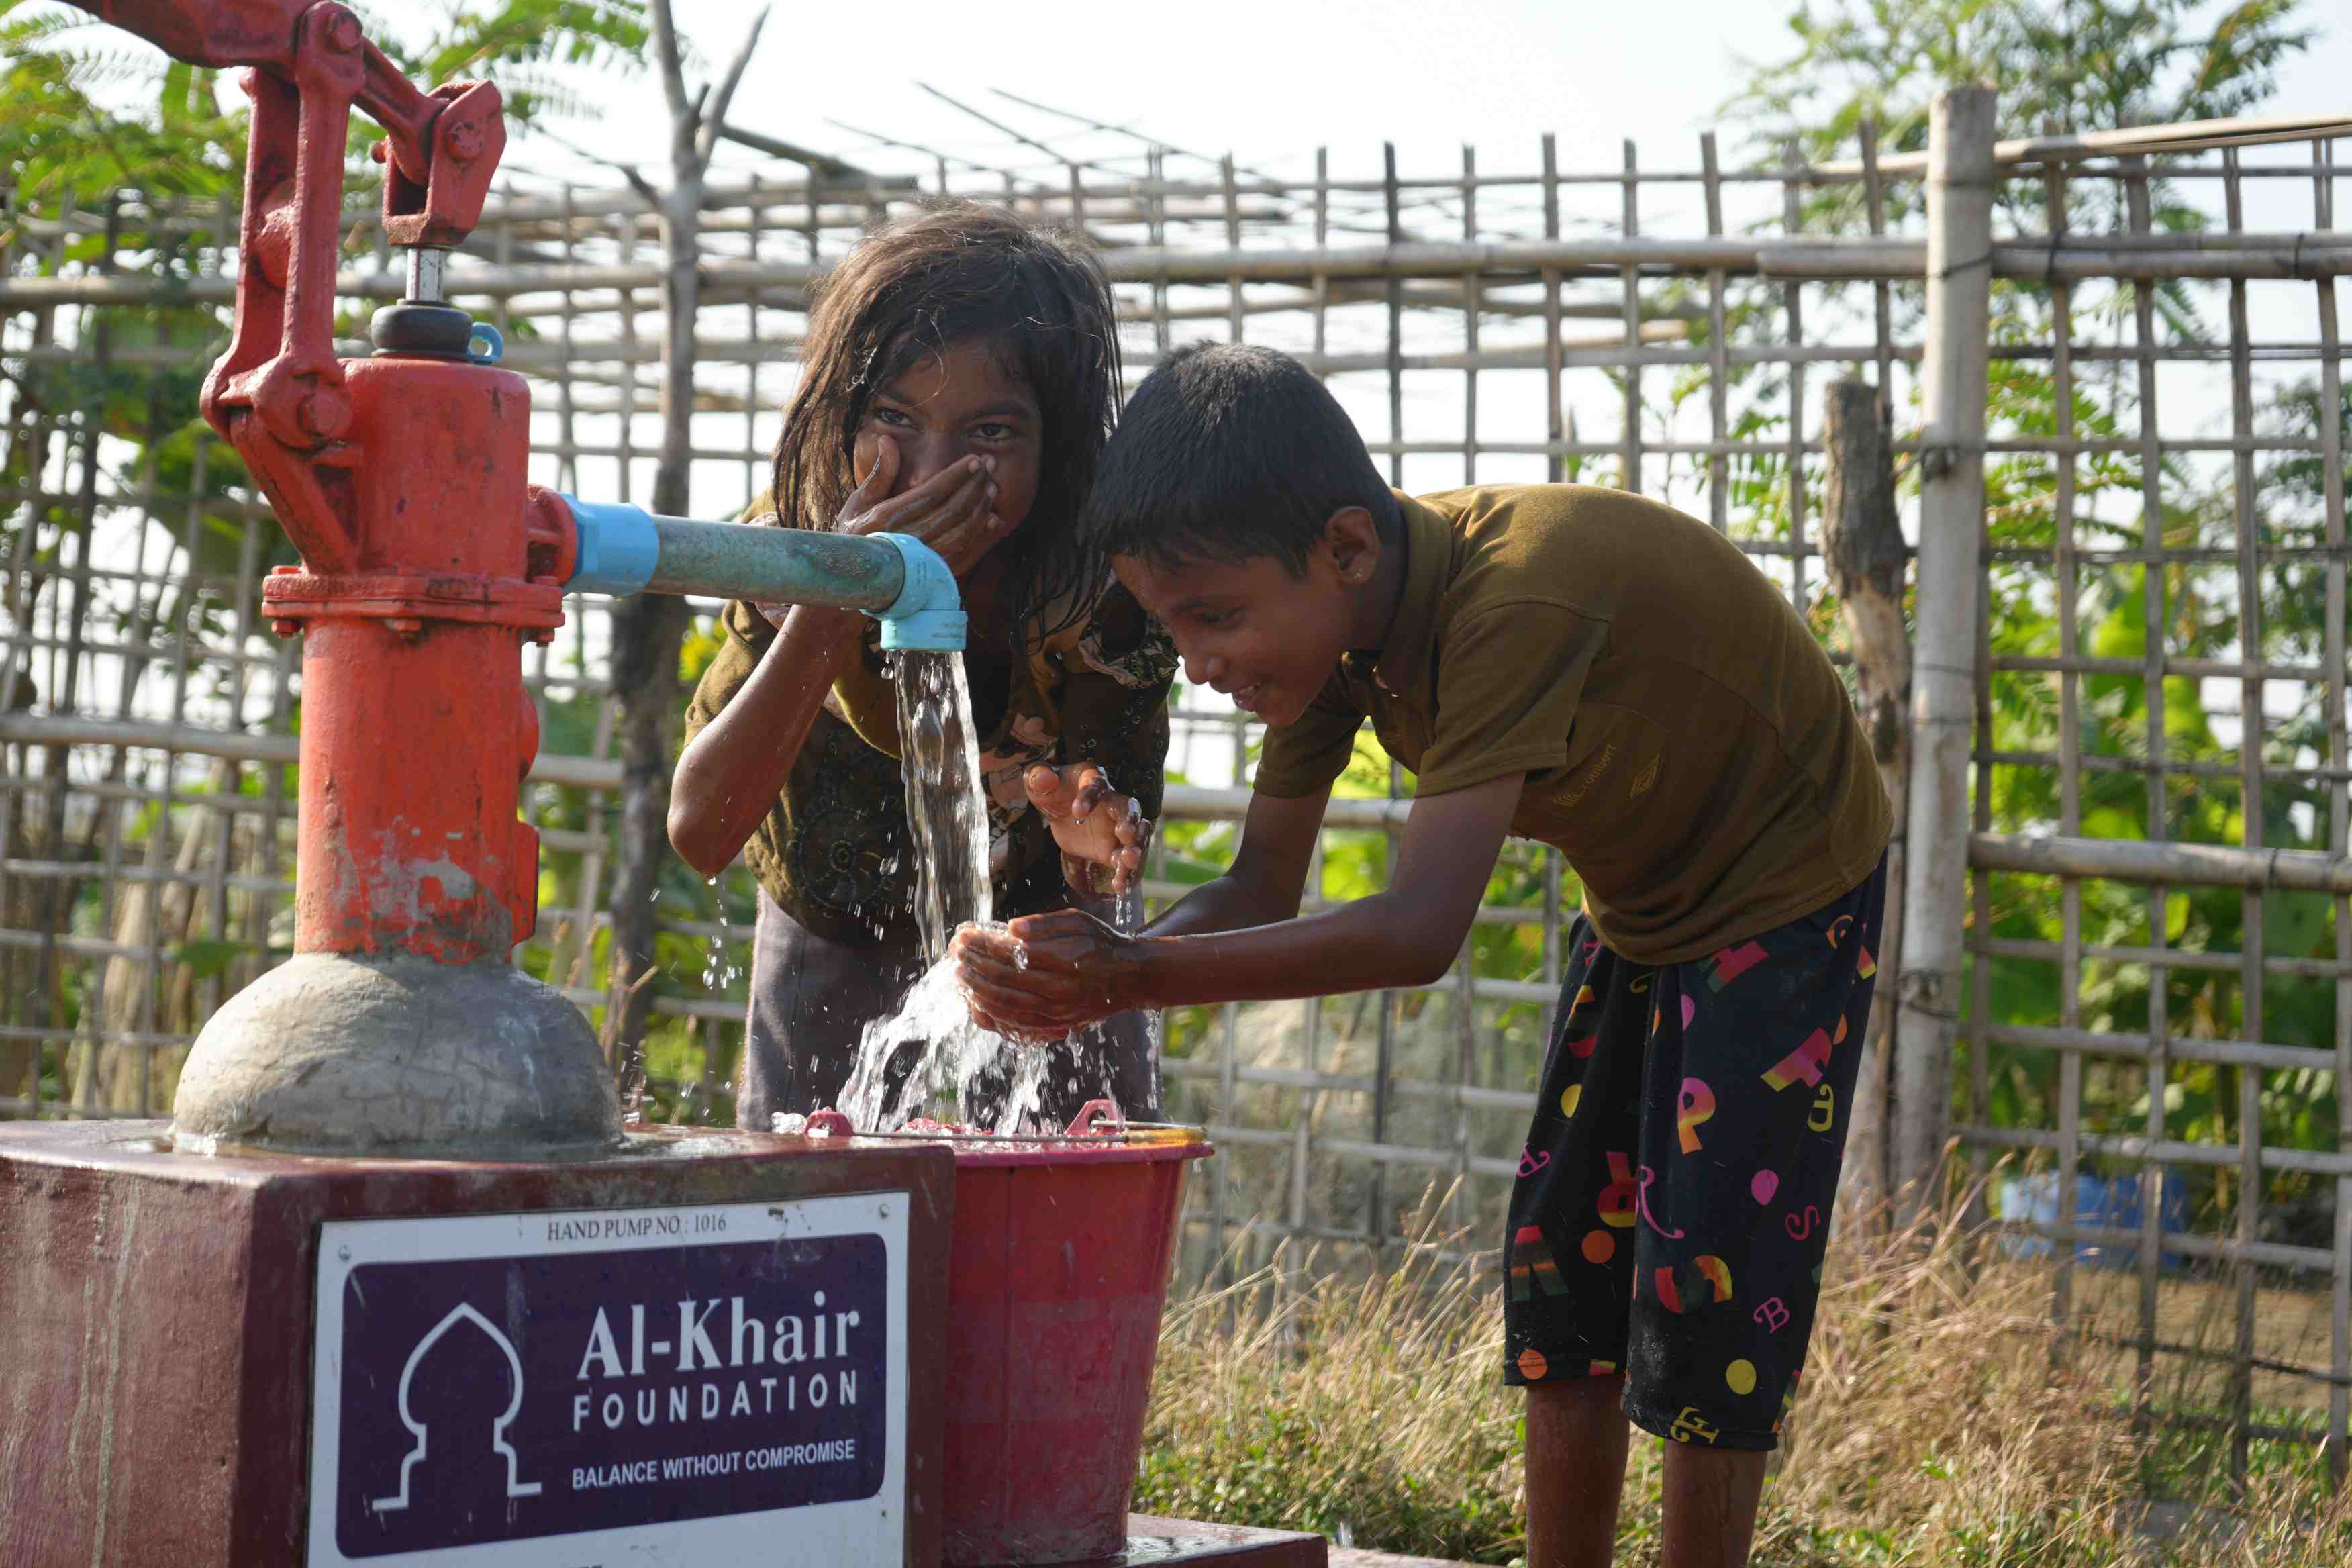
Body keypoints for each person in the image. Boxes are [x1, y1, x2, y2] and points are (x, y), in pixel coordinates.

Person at [952, 342, 1892, 1567]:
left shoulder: (1510, 602)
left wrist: (1130, 976)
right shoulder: (1341, 638)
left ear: (1345, 548)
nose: (1198, 665)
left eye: (1217, 617)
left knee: (1708, 1284)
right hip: (1645, 908)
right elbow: (1256, 887)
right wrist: (1097, 954)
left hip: (1786, 891)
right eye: (1176, 629)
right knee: (1568, 1264)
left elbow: (1417, 933)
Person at [671, 203, 1174, 1131]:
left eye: (990, 435)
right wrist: (835, 596)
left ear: (1056, 448)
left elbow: (1109, 859)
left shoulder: (1103, 585)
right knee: (813, 1194)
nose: (932, 473)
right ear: (842, 420)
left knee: (1069, 1184)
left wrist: (1097, 857)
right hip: (832, 905)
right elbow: (701, 830)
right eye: (895, 419)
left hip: (1036, 928)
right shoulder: (791, 548)